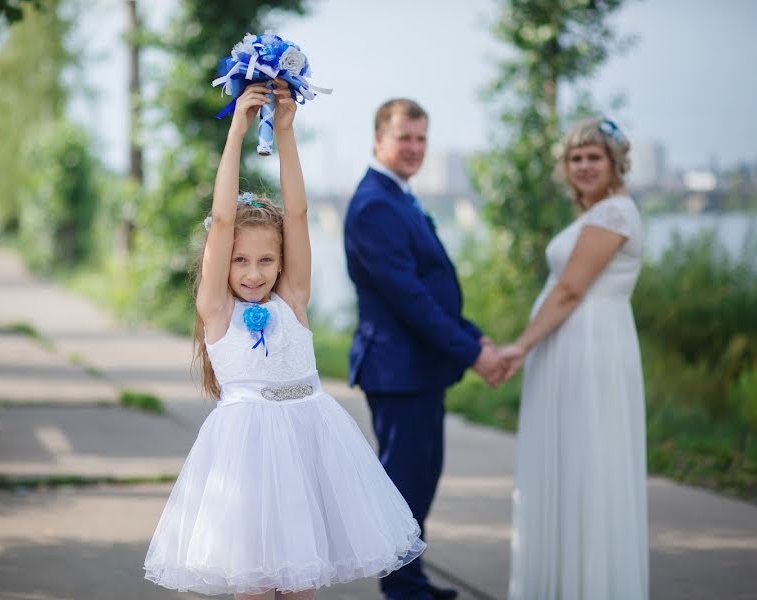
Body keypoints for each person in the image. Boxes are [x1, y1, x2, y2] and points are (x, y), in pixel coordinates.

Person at [143, 80, 426, 599]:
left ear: (281, 263)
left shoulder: (292, 301)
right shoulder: (218, 312)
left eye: (266, 260)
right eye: (240, 260)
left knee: (301, 587)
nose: (253, 273)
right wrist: (237, 131)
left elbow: (295, 214)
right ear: (222, 261)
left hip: (307, 446)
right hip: (246, 457)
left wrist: (287, 130)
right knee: (253, 586)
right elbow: (223, 218)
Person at [343, 98, 506, 600]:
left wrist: (471, 333)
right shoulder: (375, 204)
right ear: (377, 140)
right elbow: (407, 297)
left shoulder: (399, 196)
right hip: (397, 369)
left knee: (421, 479)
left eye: (421, 138)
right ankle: (402, 590)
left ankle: (410, 579)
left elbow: (428, 287)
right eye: (403, 138)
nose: (413, 148)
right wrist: (471, 353)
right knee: (406, 483)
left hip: (419, 368)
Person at [500, 118, 648, 599]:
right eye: (576, 158)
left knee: (589, 460)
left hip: (589, 349)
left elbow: (568, 291)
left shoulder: (614, 215)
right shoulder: (597, 213)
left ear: (614, 162)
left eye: (594, 157)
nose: (584, 166)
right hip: (571, 347)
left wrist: (521, 346)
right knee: (571, 458)